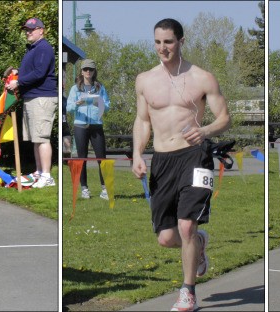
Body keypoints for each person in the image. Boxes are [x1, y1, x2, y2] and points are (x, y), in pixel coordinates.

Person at [131, 18, 231, 311]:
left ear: (181, 42)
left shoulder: (202, 77)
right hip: (162, 160)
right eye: (158, 42)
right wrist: (138, 154)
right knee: (166, 238)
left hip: (195, 157)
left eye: (169, 42)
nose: (163, 48)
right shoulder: (145, 80)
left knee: (186, 225)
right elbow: (142, 120)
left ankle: (187, 292)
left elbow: (225, 118)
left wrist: (206, 131)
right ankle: (199, 244)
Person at [5, 17, 58, 188]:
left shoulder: (43, 48)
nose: (28, 32)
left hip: (42, 98)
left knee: (42, 138)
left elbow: (39, 73)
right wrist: (18, 72)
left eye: (32, 29)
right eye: (26, 29)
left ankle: (47, 176)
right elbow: (32, 70)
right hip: (33, 97)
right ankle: (39, 171)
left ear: (41, 30)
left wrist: (18, 82)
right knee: (36, 138)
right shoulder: (33, 49)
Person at [66, 59, 111, 200]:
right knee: (82, 158)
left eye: (90, 70)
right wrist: (77, 104)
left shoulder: (100, 88)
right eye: (85, 69)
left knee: (101, 158)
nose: (88, 72)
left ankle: (105, 189)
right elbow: (68, 108)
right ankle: (84, 188)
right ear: (81, 71)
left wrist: (100, 103)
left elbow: (108, 106)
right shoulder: (75, 88)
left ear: (94, 71)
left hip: (96, 125)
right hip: (80, 125)